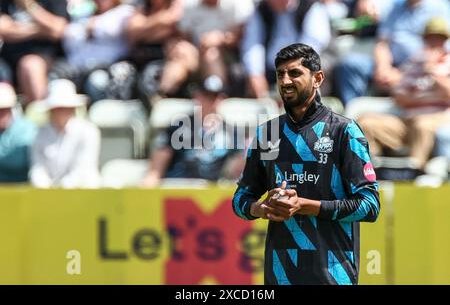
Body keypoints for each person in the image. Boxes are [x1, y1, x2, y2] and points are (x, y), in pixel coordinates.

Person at [232, 43, 380, 285]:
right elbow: (240, 200)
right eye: (280, 74)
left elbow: (370, 206)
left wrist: (306, 205)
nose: (286, 81)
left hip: (333, 275)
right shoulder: (267, 133)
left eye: (295, 73)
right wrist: (261, 209)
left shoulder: (344, 131)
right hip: (280, 276)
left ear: (318, 78)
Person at [358, 17, 450, 170]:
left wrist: (431, 71)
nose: (434, 43)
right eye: (430, 38)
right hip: (408, 119)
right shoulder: (415, 62)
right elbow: (399, 96)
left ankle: (414, 172)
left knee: (423, 125)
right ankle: (371, 173)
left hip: (438, 118)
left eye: (438, 39)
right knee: (367, 122)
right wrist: (428, 97)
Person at [334, 0, 450, 105]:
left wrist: (403, 75)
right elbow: (383, 42)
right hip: (390, 65)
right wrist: (383, 69)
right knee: (350, 64)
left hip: (419, 69)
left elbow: (437, 50)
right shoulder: (395, 5)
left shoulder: (440, 7)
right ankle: (352, 118)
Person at [142, 75, 243, 187]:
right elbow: (156, 169)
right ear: (197, 96)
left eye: (216, 96)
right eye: (207, 95)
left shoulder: (231, 133)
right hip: (177, 190)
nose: (212, 101)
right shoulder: (178, 128)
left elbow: (238, 170)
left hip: (210, 195)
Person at [241, 0, 331, 98]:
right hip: (270, 69)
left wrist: (292, 70)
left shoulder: (310, 4)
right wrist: (255, 73)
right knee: (242, 75)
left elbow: (314, 42)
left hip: (303, 63)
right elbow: (253, 43)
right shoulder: (262, 8)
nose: (279, 1)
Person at [125, 0, 198, 100]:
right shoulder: (141, 5)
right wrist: (162, 20)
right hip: (141, 61)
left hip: (167, 61)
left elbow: (175, 20)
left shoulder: (178, 4)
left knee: (183, 53)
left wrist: (145, 29)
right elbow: (132, 34)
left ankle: (161, 97)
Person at [0, 0, 70, 104]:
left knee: (30, 65)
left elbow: (58, 30)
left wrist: (29, 6)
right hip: (9, 60)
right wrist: (40, 30)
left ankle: (39, 115)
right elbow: (3, 29)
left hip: (45, 58)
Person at [178, 0, 254, 94]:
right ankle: (160, 96)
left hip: (228, 55)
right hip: (196, 53)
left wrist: (220, 39)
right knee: (181, 51)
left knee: (211, 53)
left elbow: (243, 37)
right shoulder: (189, 1)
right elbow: (183, 35)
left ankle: (216, 94)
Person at [29, 79, 101, 188]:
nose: (62, 112)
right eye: (58, 108)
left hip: (85, 192)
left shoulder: (88, 131)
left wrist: (60, 190)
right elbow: (37, 167)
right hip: (50, 195)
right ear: (50, 110)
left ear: (73, 109)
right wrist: (45, 188)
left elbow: (82, 168)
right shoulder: (38, 134)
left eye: (66, 108)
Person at [0, 82, 37, 182]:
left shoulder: (26, 128)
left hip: (23, 186)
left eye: (5, 109)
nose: (1, 114)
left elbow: (18, 161)